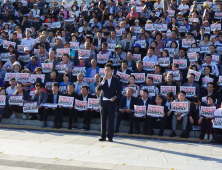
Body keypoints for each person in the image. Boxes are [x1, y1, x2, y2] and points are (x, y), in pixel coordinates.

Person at [97, 64, 121, 142]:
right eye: (106, 70)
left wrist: (115, 97)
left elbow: (119, 92)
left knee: (111, 120)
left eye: (108, 70)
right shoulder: (102, 79)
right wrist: (103, 81)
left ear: (112, 71)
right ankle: (102, 135)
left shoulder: (116, 80)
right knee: (103, 119)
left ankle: (110, 137)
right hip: (103, 102)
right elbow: (99, 88)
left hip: (111, 102)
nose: (107, 71)